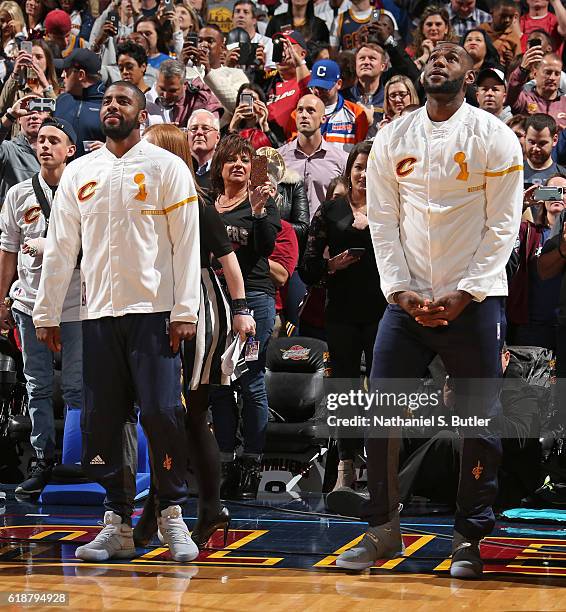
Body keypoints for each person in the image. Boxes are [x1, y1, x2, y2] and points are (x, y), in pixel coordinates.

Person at [335, 42, 523, 579]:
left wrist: (466, 292)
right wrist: (399, 291)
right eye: (431, 56)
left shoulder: (494, 136)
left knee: (478, 424)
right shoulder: (393, 136)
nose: (439, 60)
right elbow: (384, 223)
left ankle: (469, 535)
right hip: (407, 299)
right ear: (419, 71)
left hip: (476, 300)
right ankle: (381, 529)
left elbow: (502, 227)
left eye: (451, 56)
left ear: (469, 73)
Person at [32, 81, 202, 563]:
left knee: (162, 415)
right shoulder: (80, 172)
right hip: (97, 314)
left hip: (154, 314)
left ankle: (171, 514)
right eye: (106, 102)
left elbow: (185, 245)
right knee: (102, 422)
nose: (112, 107)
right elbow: (62, 248)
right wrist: (47, 312)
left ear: (141, 112)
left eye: (123, 101)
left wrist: (184, 309)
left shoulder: (167, 167)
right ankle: (116, 520)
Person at [132, 123, 255, 551]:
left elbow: (230, 261)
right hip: (157, 302)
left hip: (197, 305)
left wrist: (242, 312)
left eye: (149, 147)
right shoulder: (147, 199)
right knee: (166, 413)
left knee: (185, 413)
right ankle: (187, 507)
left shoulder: (197, 203)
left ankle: (185, 506)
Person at [0, 117, 80, 496]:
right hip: (28, 302)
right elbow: (8, 251)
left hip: (76, 305)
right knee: (37, 385)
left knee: (80, 386)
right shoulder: (18, 194)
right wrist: (2, 299)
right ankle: (41, 458)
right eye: (40, 140)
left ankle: (80, 459)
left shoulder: (84, 191)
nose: (45, 145)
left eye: (54, 140)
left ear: (71, 150)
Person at [300, 141, 387, 490]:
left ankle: (383, 470)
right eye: (359, 167)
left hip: (383, 313)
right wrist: (329, 266)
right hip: (342, 315)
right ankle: (346, 469)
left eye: (371, 167)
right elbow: (306, 269)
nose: (364, 174)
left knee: (384, 393)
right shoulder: (330, 210)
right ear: (349, 171)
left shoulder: (390, 209)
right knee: (346, 393)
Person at [208, 134, 281, 501]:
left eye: (245, 160)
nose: (238, 165)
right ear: (219, 166)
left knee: (250, 381)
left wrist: (256, 211)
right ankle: (225, 460)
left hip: (253, 299)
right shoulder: (208, 204)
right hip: (212, 300)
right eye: (231, 159)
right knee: (218, 383)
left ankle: (252, 462)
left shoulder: (264, 201)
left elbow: (267, 247)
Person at [507, 174, 566, 349]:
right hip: (532, 327)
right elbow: (502, 231)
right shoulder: (529, 232)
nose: (558, 196)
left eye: (564, 192)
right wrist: (521, 205)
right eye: (552, 191)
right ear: (542, 197)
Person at [278, 93, 347, 219]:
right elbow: (255, 195)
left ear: (323, 118)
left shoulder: (343, 160)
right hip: (286, 233)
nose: (304, 115)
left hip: (325, 233)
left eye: (311, 111)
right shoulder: (275, 157)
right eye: (300, 110)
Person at [304, 59, 369, 152]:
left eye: (324, 88)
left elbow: (360, 151)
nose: (319, 92)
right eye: (316, 87)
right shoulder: (300, 113)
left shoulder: (356, 113)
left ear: (339, 84)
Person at [0, 40, 58, 137]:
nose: (34, 61)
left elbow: (60, 114)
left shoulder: (56, 90)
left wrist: (46, 86)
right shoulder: (18, 90)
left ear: (48, 62)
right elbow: (2, 106)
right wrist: (16, 71)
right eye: (30, 57)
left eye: (39, 57)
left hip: (45, 145)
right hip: (19, 147)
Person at [0, 94, 50, 207]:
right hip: (14, 221)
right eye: (29, 112)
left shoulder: (56, 152)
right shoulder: (8, 149)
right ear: (18, 119)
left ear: (47, 117)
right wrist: (10, 115)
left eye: (39, 111)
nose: (34, 116)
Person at [54, 49, 105, 157]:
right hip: (63, 172)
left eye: (67, 70)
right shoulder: (62, 100)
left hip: (96, 171)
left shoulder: (109, 104)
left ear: (81, 75)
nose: (63, 75)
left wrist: (109, 150)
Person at [145, 59, 222, 128]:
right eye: (162, 89)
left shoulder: (201, 99)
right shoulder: (145, 103)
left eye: (173, 91)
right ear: (156, 82)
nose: (166, 95)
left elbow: (212, 132)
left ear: (184, 85)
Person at [265, 31, 311, 141]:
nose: (282, 50)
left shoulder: (311, 79)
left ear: (302, 54)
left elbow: (309, 92)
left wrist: (299, 63)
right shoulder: (267, 84)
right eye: (278, 46)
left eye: (287, 45)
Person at [506, 50, 566, 130]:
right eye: (548, 72)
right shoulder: (524, 99)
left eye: (557, 74)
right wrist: (522, 70)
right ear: (535, 74)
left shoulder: (565, 103)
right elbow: (512, 91)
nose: (552, 78)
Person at [228, 83, 280, 148]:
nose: (248, 103)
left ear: (261, 103)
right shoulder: (230, 128)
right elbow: (225, 154)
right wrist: (233, 128)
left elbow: (279, 151)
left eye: (253, 99)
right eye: (245, 99)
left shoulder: (273, 126)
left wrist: (265, 127)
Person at [523, 114, 566, 188]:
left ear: (555, 140)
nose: (535, 148)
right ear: (524, 137)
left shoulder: (563, 176)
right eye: (532, 142)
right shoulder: (513, 173)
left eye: (542, 143)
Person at [410, 5, 456, 70]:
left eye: (438, 24)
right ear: (422, 29)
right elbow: (408, 74)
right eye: (429, 24)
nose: (433, 28)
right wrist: (425, 55)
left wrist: (434, 53)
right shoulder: (411, 50)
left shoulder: (457, 51)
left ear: (446, 29)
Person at [478, 0, 521, 68]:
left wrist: (512, 61)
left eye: (511, 17)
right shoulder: (480, 31)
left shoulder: (513, 37)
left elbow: (519, 62)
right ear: (492, 13)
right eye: (503, 16)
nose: (507, 20)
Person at [231, 0, 273, 68]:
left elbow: (273, 73)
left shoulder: (268, 43)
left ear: (254, 20)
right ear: (232, 18)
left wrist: (261, 69)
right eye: (237, 11)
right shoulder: (224, 44)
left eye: (246, 12)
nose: (240, 15)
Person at [187, 108, 220, 191]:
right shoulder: (179, 167)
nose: (199, 132)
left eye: (205, 128)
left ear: (217, 137)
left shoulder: (226, 166)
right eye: (194, 128)